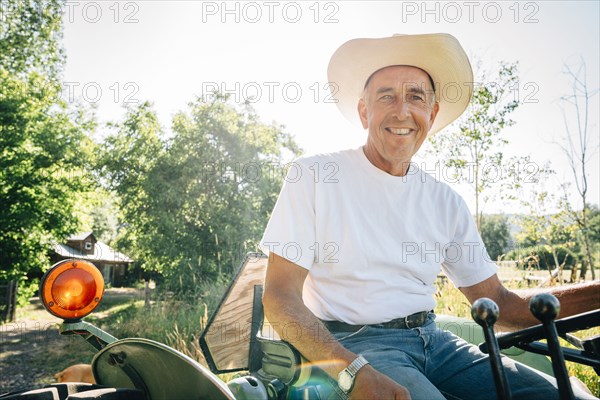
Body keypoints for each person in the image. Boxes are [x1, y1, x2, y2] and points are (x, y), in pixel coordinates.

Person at [259, 33, 599, 400]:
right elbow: (280, 297)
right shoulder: (313, 176)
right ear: (363, 111)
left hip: (436, 342)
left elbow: (501, 304)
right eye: (386, 95)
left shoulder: (446, 201)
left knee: (568, 397)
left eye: (416, 97)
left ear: (432, 115)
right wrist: (352, 371)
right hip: (357, 346)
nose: (402, 111)